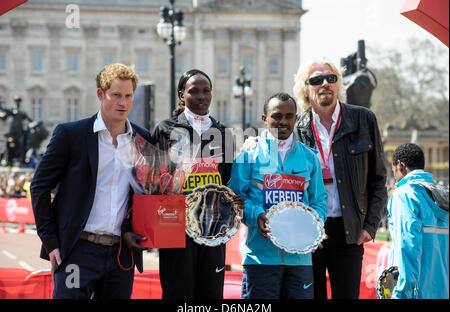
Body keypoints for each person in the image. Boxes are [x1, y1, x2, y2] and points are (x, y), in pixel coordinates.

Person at [30, 63, 150, 299]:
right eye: (116, 95)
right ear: (100, 94)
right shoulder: (70, 134)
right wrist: (51, 242)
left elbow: (149, 192)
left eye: (128, 96)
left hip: (121, 255)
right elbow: (39, 187)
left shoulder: (143, 139)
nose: (123, 103)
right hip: (77, 250)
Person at [293, 57, 387, 299]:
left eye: (331, 78)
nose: (325, 83)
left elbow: (378, 178)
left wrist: (370, 226)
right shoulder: (296, 127)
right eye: (316, 80)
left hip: (350, 231)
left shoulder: (363, 119)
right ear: (306, 88)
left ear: (338, 84)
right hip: (310, 232)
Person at [150, 69, 244, 299]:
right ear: (182, 95)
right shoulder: (165, 129)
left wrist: (234, 199)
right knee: (177, 294)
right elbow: (152, 181)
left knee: (210, 294)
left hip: (213, 227)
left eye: (206, 91)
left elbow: (229, 181)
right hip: (174, 226)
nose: (201, 96)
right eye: (194, 91)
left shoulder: (224, 134)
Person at [228, 92, 328, 299]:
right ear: (265, 119)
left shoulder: (310, 158)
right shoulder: (247, 156)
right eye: (276, 116)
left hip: (300, 262)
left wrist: (314, 225)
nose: (283, 121)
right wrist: (256, 215)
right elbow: (235, 198)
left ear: (296, 118)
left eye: (289, 116)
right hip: (260, 259)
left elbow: (319, 200)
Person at [388, 143, 449, 299]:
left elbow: (407, 245)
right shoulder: (444, 195)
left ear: (399, 165)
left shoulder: (403, 194)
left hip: (416, 291)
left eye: (393, 169)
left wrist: (401, 293)